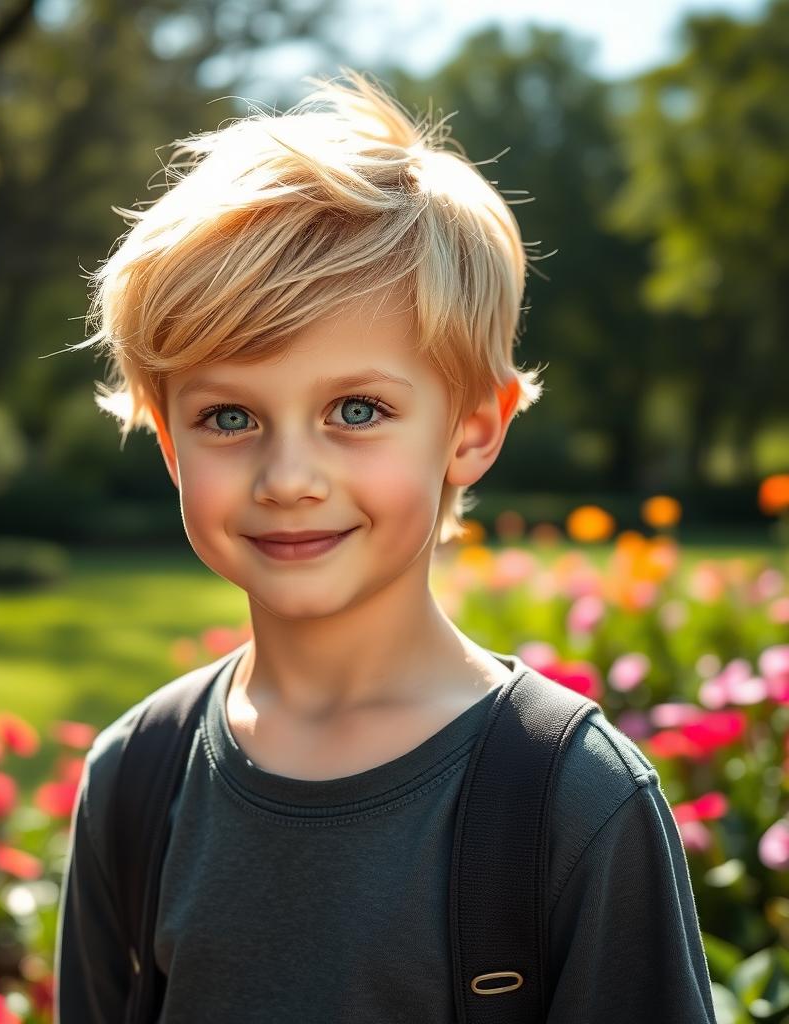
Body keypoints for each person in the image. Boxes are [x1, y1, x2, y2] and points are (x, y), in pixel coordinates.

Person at [54, 67, 718, 1023]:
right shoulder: (135, 777)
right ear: (168, 443)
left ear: (473, 429)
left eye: (355, 410)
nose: (288, 476)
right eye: (229, 415)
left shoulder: (571, 802)